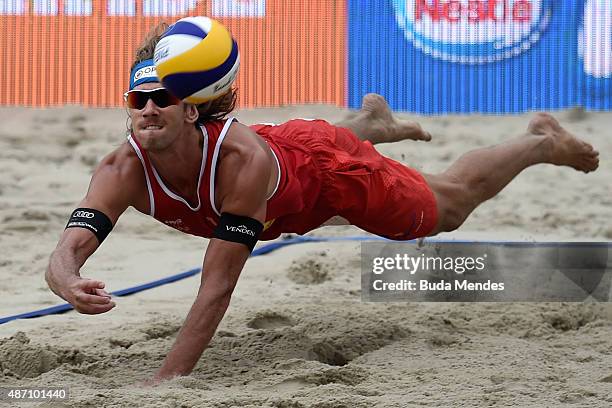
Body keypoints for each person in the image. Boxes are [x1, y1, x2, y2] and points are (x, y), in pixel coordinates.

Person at [45, 24, 599, 384]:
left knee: (447, 208)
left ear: (190, 112)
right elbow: (66, 250)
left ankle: (540, 141)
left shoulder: (242, 165)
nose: (144, 110)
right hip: (281, 177)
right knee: (298, 162)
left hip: (329, 178)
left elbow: (217, 288)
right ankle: (368, 124)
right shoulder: (122, 168)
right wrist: (68, 281)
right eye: (135, 100)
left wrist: (167, 379)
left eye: (160, 100)